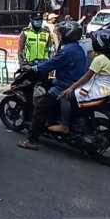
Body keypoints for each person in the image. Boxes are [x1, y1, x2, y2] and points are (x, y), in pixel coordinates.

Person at [17, 21, 88, 151]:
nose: (59, 36)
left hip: (64, 86)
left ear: (67, 35)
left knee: (40, 109)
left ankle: (31, 140)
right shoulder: (78, 48)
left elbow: (51, 64)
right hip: (76, 84)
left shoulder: (66, 51)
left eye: (61, 33)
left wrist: (34, 69)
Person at [48, 29, 110, 134]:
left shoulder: (99, 59)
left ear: (99, 44)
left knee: (65, 95)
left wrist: (71, 88)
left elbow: (86, 77)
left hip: (99, 91)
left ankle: (64, 125)